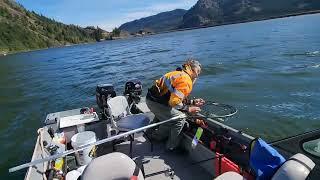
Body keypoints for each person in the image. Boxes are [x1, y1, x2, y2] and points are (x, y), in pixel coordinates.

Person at [146, 58, 205, 151]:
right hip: (157, 103)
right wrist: (189, 109)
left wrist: (192, 102)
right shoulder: (185, 80)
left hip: (154, 100)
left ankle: (150, 132)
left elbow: (175, 97)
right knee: (180, 118)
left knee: (165, 114)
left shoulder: (180, 73)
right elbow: (174, 102)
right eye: (198, 72)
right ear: (193, 70)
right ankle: (171, 146)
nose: (198, 75)